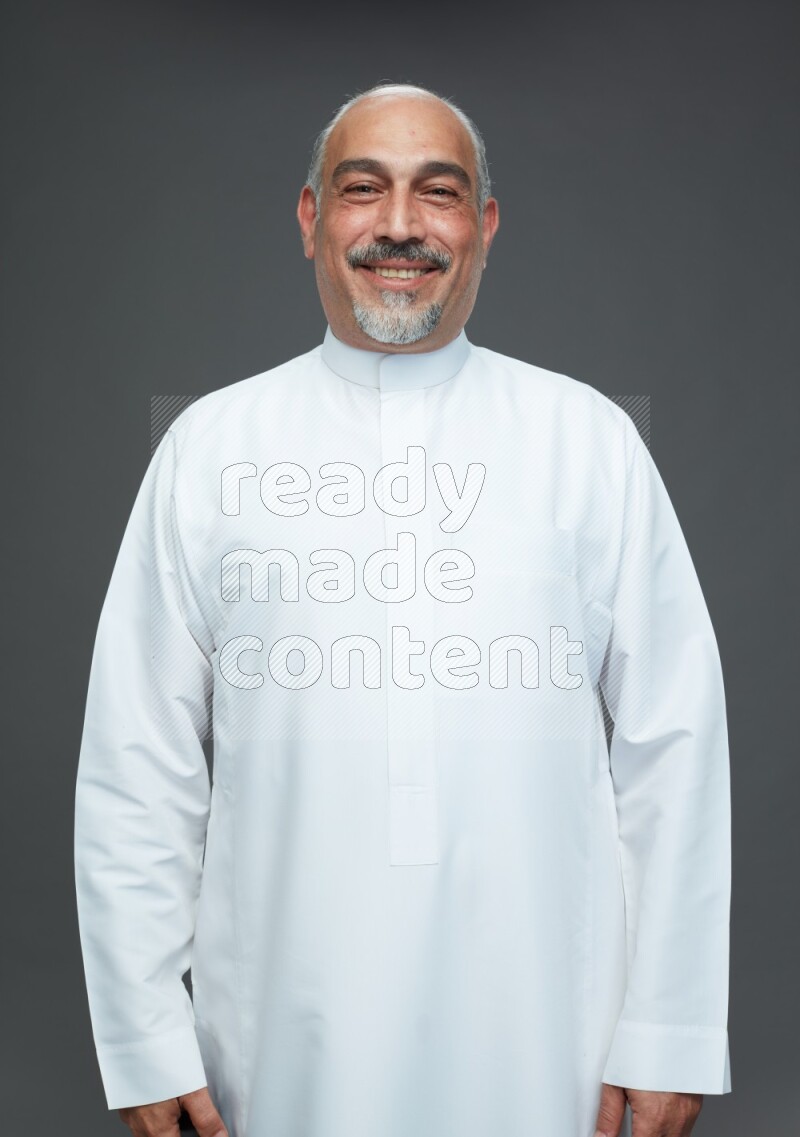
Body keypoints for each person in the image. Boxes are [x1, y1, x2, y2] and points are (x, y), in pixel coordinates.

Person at [74, 83, 732, 1137]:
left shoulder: (587, 442)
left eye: (438, 191)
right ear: (309, 219)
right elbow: (137, 765)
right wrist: (143, 1038)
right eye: (360, 189)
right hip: (276, 1045)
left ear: (485, 225)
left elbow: (674, 747)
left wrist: (672, 1029)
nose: (398, 224)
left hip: (551, 1037)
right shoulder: (211, 450)